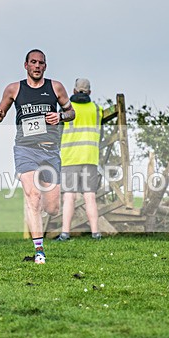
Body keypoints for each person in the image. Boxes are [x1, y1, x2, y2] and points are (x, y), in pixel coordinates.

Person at [0, 49, 74, 264]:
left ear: (45, 66)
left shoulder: (55, 87)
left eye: (41, 63)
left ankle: (40, 205)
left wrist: (61, 116)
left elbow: (71, 112)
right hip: (25, 149)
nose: (37, 66)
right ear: (26, 65)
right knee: (32, 197)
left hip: (50, 151)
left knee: (52, 208)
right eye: (33, 62)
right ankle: (39, 251)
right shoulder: (13, 89)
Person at [54, 78, 103, 241]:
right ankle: (96, 234)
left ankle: (65, 233)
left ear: (74, 91)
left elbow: (58, 132)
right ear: (89, 92)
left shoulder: (67, 109)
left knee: (69, 196)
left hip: (71, 157)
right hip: (90, 157)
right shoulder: (97, 109)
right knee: (90, 196)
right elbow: (100, 133)